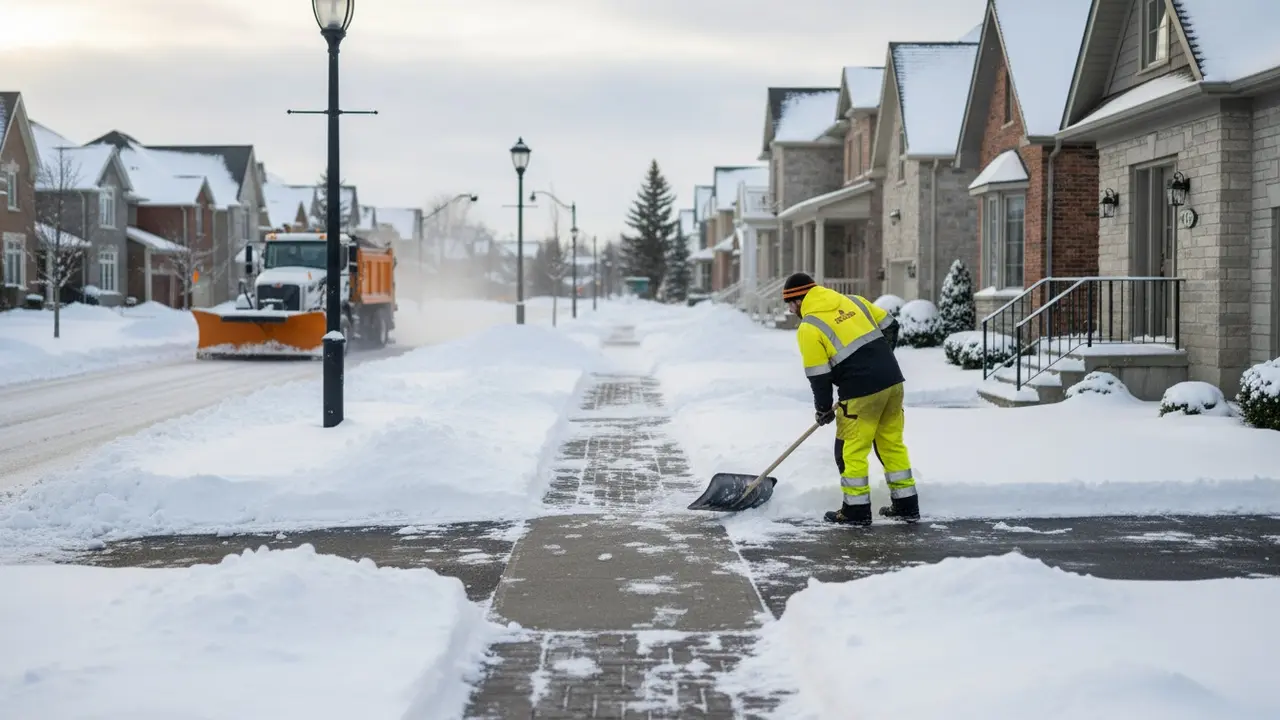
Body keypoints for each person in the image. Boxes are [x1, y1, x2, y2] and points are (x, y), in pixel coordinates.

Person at [782, 272, 919, 526]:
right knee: (891, 444)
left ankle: (855, 511)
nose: (790, 310)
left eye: (790, 304)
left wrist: (823, 409)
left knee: (850, 451)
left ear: (800, 300)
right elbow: (891, 325)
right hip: (893, 383)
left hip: (860, 393)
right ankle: (906, 506)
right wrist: (879, 363)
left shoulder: (810, 327)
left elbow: (819, 376)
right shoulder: (854, 301)